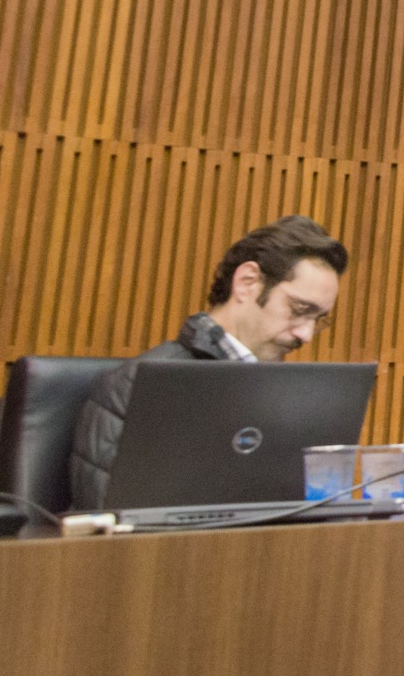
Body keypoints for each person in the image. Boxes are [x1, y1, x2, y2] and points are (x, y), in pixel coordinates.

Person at [68, 216, 350, 510]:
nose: (305, 334)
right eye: (299, 309)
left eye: (317, 320)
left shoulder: (291, 398)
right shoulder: (138, 385)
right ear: (247, 282)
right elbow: (106, 525)